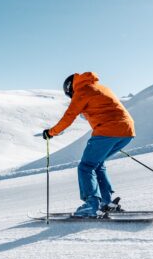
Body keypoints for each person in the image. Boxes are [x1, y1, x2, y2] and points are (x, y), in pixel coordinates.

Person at [42, 72, 135, 217]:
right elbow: (106, 110)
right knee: (97, 164)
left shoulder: (82, 91)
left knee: (85, 167)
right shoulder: (101, 88)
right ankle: (107, 202)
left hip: (108, 131)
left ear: (70, 88)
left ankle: (91, 205)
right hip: (127, 131)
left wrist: (51, 132)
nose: (71, 98)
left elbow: (69, 116)